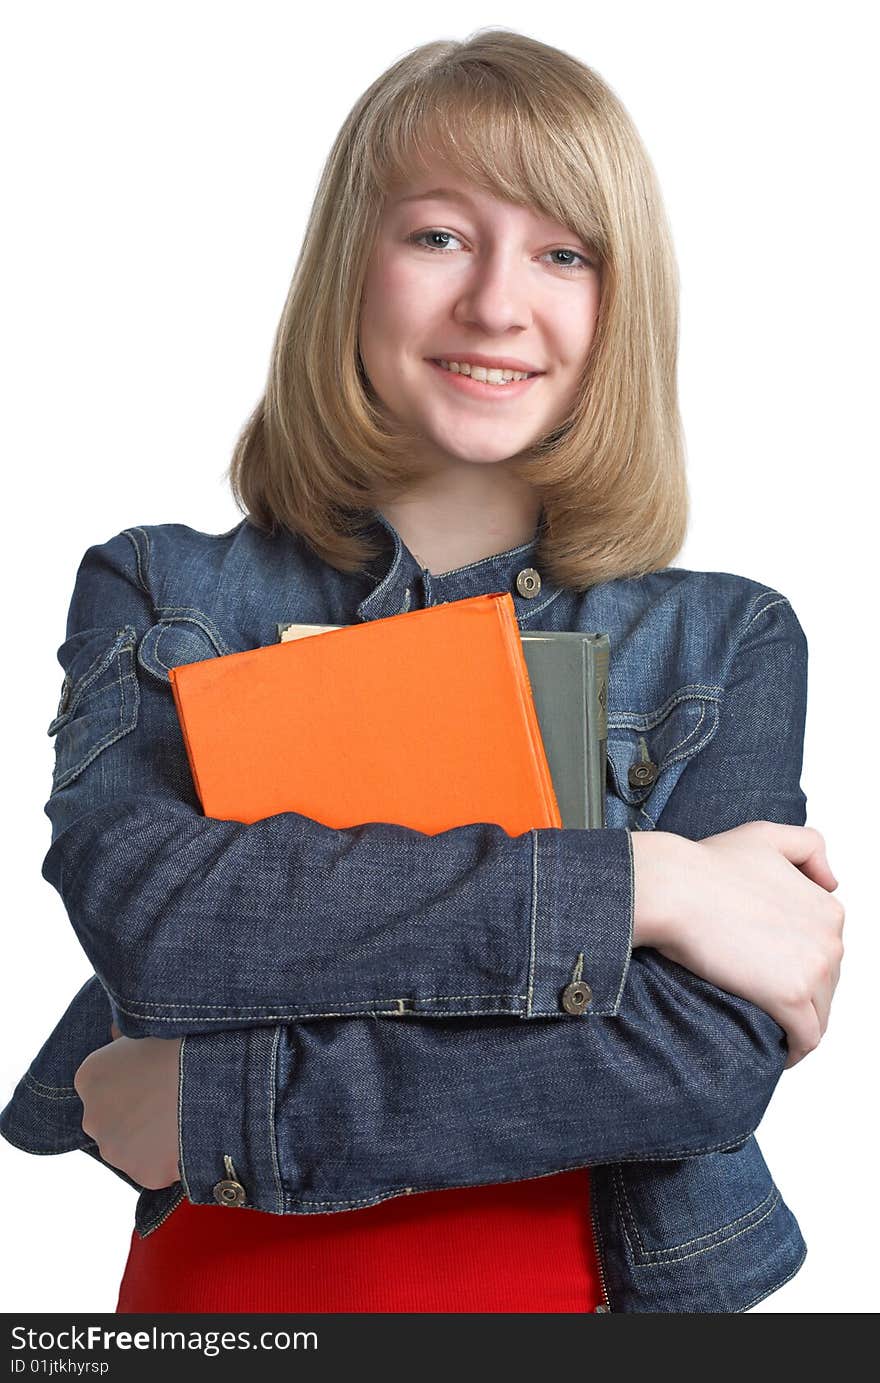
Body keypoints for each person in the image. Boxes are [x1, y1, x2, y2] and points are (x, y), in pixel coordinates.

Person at [0, 29, 844, 1314]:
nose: (498, 304)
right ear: (354, 264)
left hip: (592, 1295)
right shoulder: (168, 591)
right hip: (227, 1303)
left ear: (619, 304)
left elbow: (696, 1061)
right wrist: (645, 884)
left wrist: (224, 1098)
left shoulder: (722, 640)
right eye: (439, 235)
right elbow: (161, 919)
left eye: (563, 253)